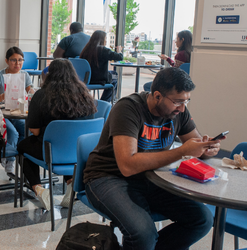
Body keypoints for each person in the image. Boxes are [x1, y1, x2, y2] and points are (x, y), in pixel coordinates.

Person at [83, 67, 224, 250]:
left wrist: (207, 147)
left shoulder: (178, 112)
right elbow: (127, 165)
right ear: (157, 96)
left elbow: (194, 144)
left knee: (202, 220)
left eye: (186, 101)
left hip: (152, 178)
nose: (182, 108)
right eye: (177, 102)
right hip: (108, 177)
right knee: (142, 233)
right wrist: (182, 151)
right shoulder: (128, 108)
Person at [17, 59, 97, 211]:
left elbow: (34, 131)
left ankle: (39, 189)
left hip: (51, 153)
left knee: (23, 147)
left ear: (50, 74)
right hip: (79, 153)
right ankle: (71, 183)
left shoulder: (41, 95)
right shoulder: (85, 95)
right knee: (67, 141)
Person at [0, 46, 34, 173]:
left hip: (18, 113)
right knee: (12, 133)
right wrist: (5, 96)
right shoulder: (0, 75)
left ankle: (15, 156)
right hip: (1, 115)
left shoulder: (25, 75)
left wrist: (31, 93)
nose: (17, 63)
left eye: (20, 60)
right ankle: (9, 158)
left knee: (26, 131)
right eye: (14, 60)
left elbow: (31, 93)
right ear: (7, 61)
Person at [80, 30, 123, 102]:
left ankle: (103, 102)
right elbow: (119, 57)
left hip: (86, 79)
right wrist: (119, 51)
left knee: (112, 74)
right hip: (99, 79)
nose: (106, 41)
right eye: (105, 39)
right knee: (114, 76)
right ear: (102, 39)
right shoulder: (103, 50)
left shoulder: (85, 50)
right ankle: (104, 102)